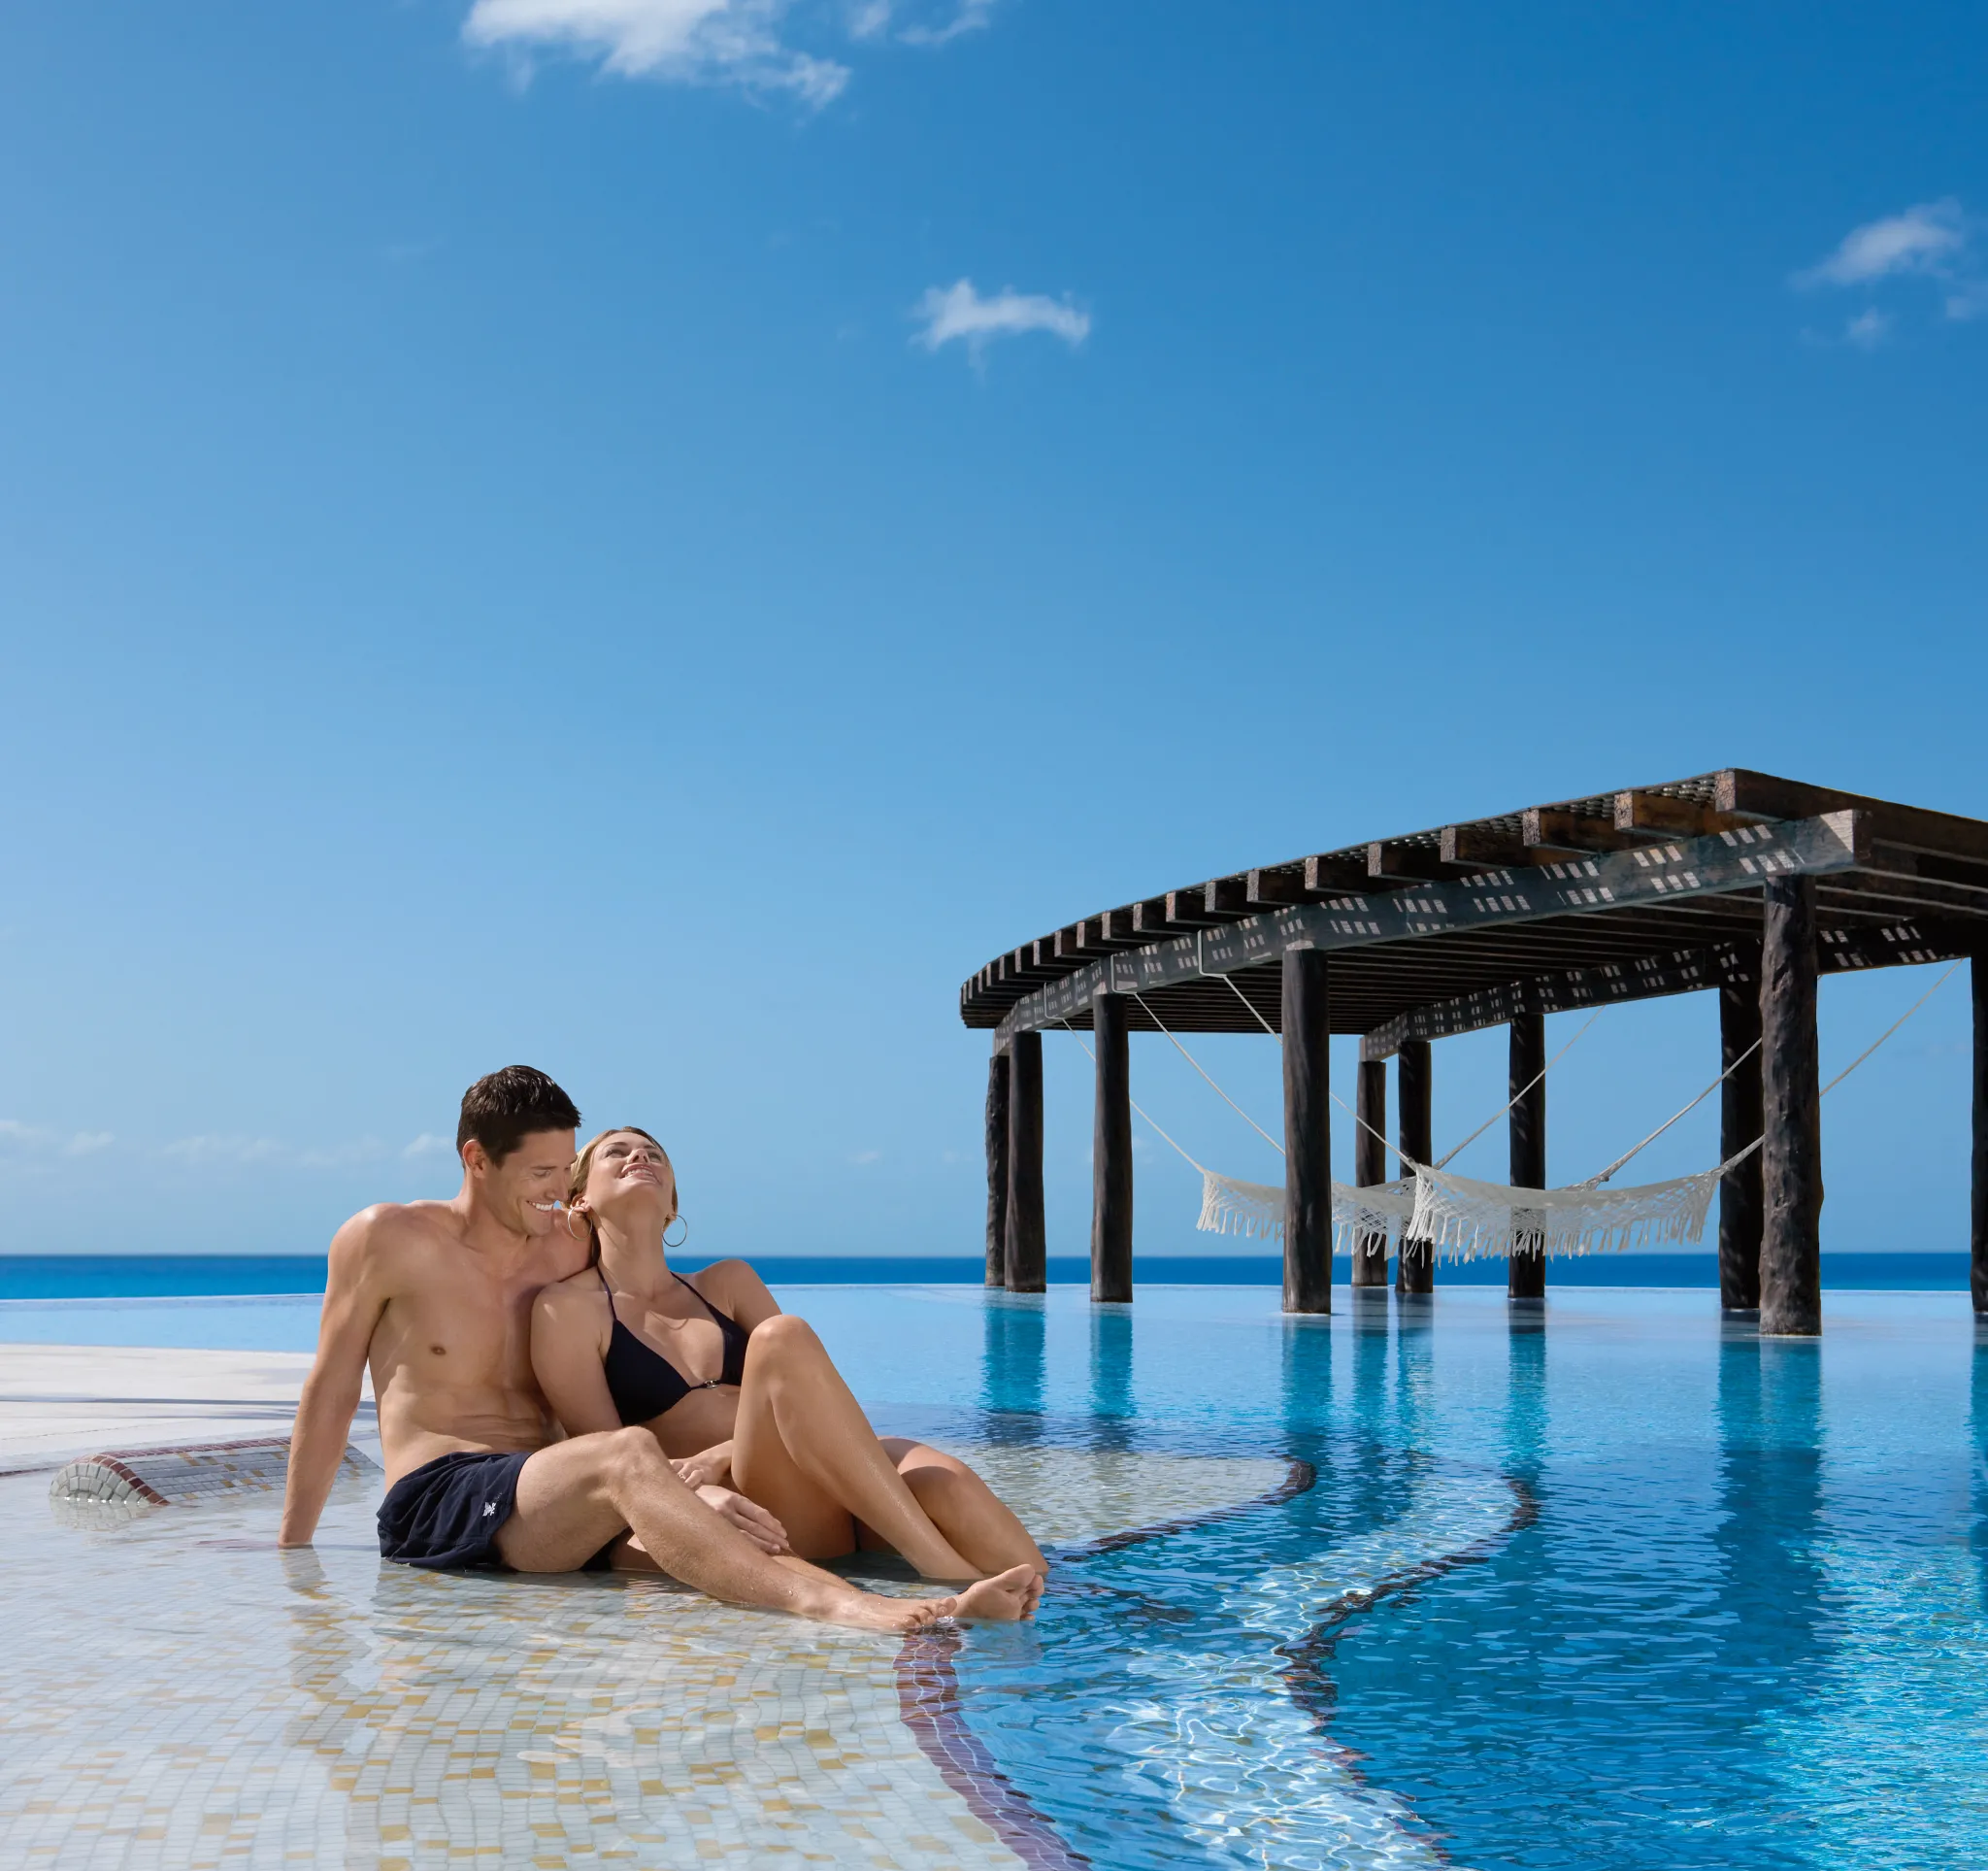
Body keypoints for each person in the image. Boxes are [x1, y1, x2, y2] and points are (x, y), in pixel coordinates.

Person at [279, 1066, 1039, 1629]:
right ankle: (852, 1607)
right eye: (542, 1173)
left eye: (562, 1169)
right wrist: (294, 1551)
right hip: (447, 1490)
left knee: (924, 1473)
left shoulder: (562, 1243)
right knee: (630, 1452)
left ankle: (1038, 1601)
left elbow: (626, 1240)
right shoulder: (390, 1237)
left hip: (564, 1492)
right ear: (476, 1159)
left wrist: (702, 1478)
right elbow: (332, 1388)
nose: (553, 1192)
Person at [530, 1126, 1048, 1590]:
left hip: (829, 1471)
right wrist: (708, 1474)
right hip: (759, 1504)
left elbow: (804, 1391)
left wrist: (717, 1452)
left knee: (944, 1486)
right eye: (615, 1153)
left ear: (671, 1206)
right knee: (781, 1337)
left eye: (654, 1155)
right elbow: (604, 1456)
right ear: (580, 1202)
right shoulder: (567, 1310)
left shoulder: (728, 1283)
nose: (639, 1158)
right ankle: (944, 1570)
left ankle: (1069, 1610)